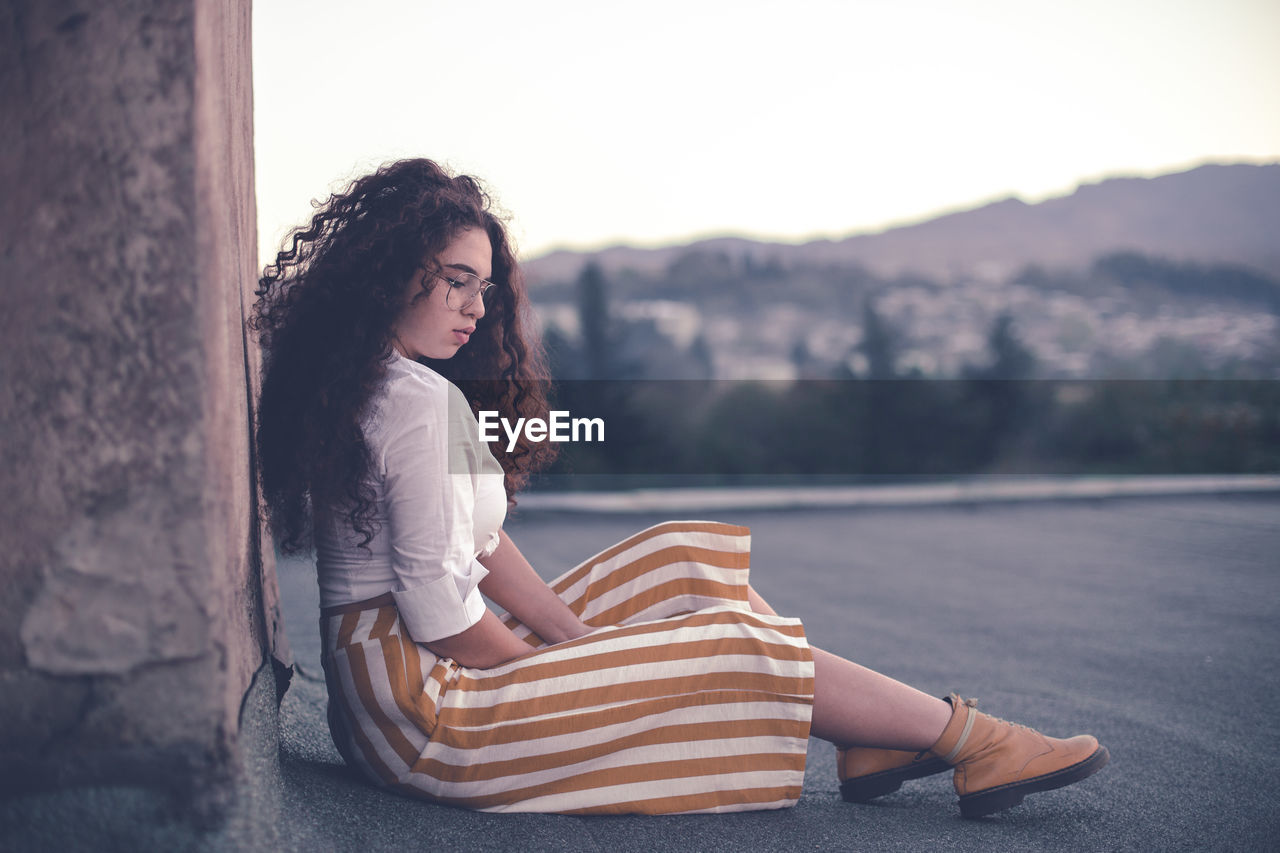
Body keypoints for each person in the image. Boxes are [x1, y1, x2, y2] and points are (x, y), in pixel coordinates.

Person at [251, 158, 1108, 818]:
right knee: (732, 639)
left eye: (483, 284)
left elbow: (478, 547)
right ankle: (973, 739)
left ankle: (866, 740)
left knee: (684, 559)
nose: (475, 306)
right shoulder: (416, 402)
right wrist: (575, 668)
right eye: (452, 279)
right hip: (425, 717)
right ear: (390, 272)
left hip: (397, 683)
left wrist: (579, 643)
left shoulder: (380, 377)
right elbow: (441, 613)